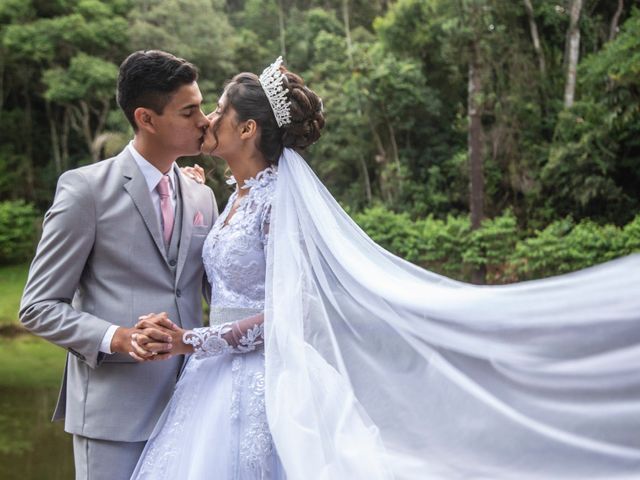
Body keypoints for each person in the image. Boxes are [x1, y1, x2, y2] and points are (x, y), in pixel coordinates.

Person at [132, 57, 640, 479]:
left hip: (264, 382)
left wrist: (190, 340)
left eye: (217, 111)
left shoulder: (277, 202)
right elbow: (222, 277)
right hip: (208, 381)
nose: (206, 121)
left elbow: (289, 310)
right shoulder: (231, 197)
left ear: (247, 129)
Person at [19, 50, 218, 480]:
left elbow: (217, 293)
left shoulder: (202, 195)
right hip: (113, 416)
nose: (205, 119)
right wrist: (118, 337)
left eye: (202, 105)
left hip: (195, 410)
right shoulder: (84, 191)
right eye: (189, 111)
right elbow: (37, 306)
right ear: (146, 118)